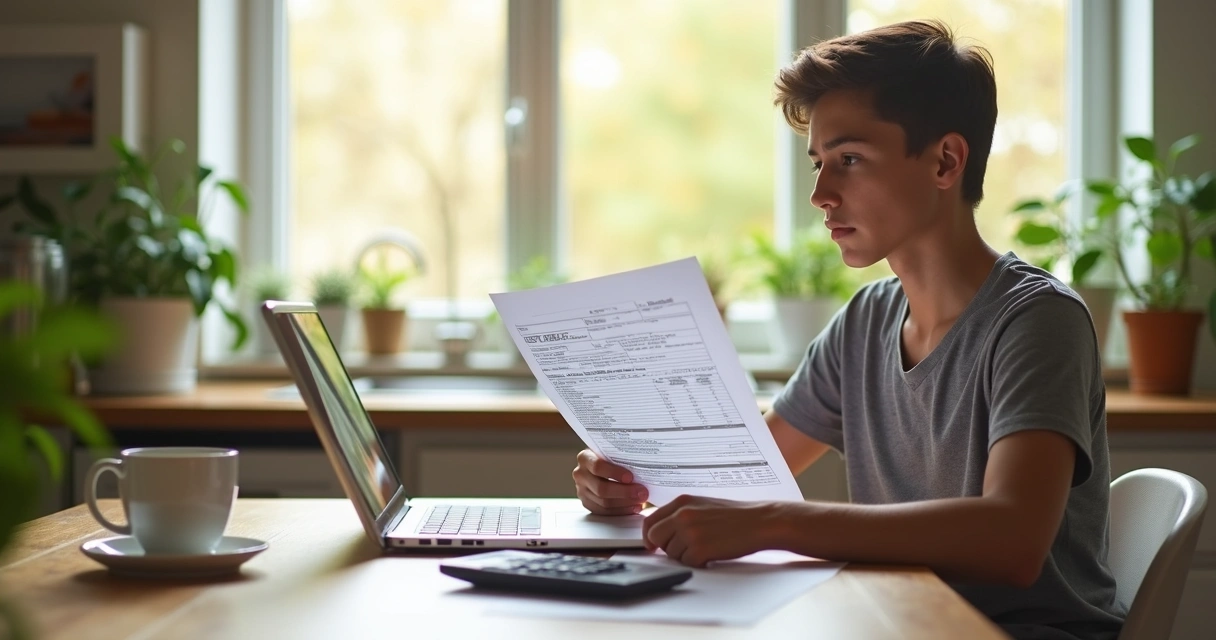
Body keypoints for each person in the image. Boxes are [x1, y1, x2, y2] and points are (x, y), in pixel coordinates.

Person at [571, 19, 1125, 640]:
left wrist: (778, 523)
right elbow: (734, 480)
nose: (820, 194)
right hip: (899, 622)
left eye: (850, 160)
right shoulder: (864, 322)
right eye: (819, 163)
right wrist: (629, 481)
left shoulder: (1036, 320)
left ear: (945, 161)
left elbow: (1013, 541)